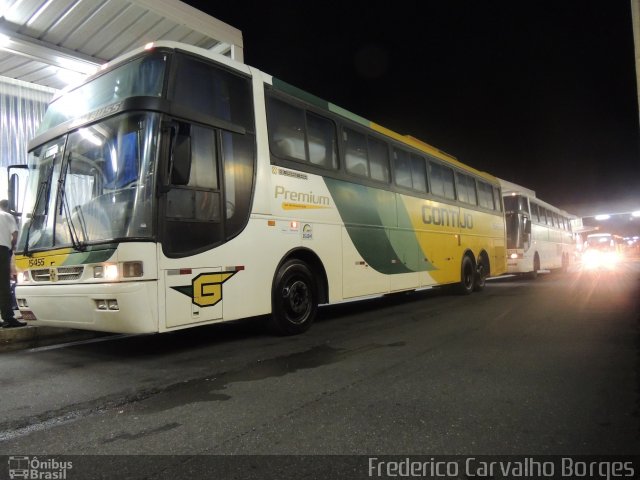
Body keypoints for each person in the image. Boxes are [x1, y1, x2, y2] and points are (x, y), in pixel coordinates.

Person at [0, 199, 25, 328]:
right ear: (7, 206)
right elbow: (15, 236)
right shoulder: (7, 216)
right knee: (3, 285)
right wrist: (12, 248)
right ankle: (8, 318)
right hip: (2, 250)